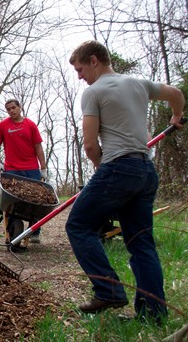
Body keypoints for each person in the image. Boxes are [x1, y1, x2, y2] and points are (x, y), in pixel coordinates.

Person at [66, 40, 184, 322]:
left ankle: (108, 290)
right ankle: (153, 315)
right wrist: (177, 116)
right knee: (141, 244)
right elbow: (176, 93)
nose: (79, 76)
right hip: (145, 170)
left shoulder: (93, 92)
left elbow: (91, 146)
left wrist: (100, 167)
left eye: (80, 69)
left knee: (79, 225)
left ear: (94, 60)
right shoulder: (139, 83)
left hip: (119, 168)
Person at [0, 99, 48, 244]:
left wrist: (43, 168)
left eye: (13, 108)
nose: (11, 111)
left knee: (35, 201)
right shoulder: (3, 125)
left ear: (20, 108)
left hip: (31, 169)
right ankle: (13, 230)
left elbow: (38, 148)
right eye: (8, 109)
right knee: (13, 203)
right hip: (12, 169)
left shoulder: (30, 125)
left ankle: (35, 231)